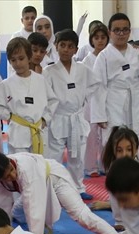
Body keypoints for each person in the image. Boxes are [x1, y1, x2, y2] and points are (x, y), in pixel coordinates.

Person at [0, 151, 117, 234]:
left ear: (9, 161)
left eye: (11, 169)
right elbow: (2, 206)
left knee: (81, 215)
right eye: (7, 177)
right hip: (34, 186)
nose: (13, 175)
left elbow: (34, 210)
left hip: (55, 179)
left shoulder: (25, 169)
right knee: (16, 212)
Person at [44, 29, 97, 196]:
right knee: (54, 157)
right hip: (58, 117)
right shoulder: (49, 71)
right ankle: (53, 189)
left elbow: (94, 86)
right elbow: (45, 96)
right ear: (55, 47)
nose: (66, 49)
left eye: (70, 46)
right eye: (62, 45)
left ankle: (77, 188)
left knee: (77, 157)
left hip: (76, 117)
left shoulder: (83, 69)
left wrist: (83, 100)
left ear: (76, 49)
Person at [95, 14, 139, 160]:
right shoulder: (104, 56)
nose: (121, 34)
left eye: (125, 30)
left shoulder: (138, 54)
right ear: (109, 32)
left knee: (136, 137)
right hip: (113, 101)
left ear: (130, 31)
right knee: (114, 138)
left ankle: (136, 174)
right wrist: (100, 114)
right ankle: (115, 174)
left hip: (135, 99)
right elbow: (98, 86)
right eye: (117, 30)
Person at [0, 37, 52, 155]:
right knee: (20, 168)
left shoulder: (40, 80)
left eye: (21, 58)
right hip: (18, 132)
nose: (18, 63)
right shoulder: (6, 84)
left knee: (40, 168)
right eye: (13, 60)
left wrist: (45, 118)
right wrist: (7, 116)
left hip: (38, 130)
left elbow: (53, 101)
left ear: (29, 57)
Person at [81, 23, 110, 178]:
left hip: (107, 100)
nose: (100, 41)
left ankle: (106, 164)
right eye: (96, 38)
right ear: (91, 39)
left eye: (103, 37)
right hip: (91, 101)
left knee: (107, 134)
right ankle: (91, 166)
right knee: (91, 135)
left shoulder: (109, 57)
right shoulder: (87, 60)